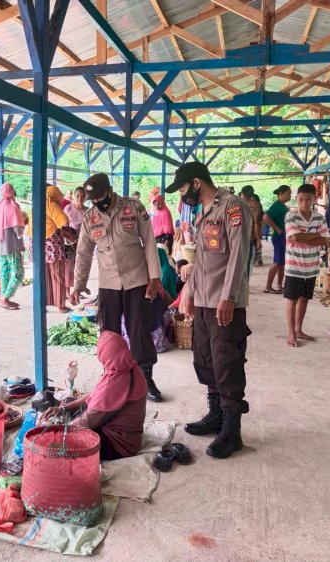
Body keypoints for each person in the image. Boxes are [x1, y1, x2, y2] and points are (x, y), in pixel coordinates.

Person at [172, 161, 251, 459]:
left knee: (227, 362)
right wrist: (188, 293)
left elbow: (239, 255)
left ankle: (232, 430)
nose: (182, 195)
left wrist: (229, 297)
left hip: (223, 302)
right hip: (203, 300)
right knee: (205, 360)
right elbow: (202, 260)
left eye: (182, 188)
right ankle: (215, 415)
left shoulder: (232, 207)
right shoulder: (203, 212)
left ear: (195, 182)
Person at [73, 173, 164, 402]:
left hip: (137, 279)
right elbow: (83, 252)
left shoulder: (133, 208)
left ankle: (145, 378)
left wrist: (154, 277)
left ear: (110, 190)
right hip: (109, 283)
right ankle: (112, 378)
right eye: (92, 200)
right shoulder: (90, 217)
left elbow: (150, 241)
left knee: (139, 329)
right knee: (109, 333)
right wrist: (78, 284)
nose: (97, 203)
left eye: (100, 197)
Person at [41, 331, 147, 460]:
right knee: (69, 401)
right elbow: (94, 394)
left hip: (119, 445)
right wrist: (64, 409)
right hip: (129, 435)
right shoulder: (127, 367)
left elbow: (87, 422)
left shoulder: (114, 384)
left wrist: (58, 431)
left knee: (62, 445)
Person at [283, 184, 330, 348]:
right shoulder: (291, 216)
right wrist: (316, 235)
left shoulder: (319, 217)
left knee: (304, 299)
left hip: (311, 267)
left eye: (308, 199)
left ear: (314, 199)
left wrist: (305, 236)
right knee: (292, 299)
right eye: (301, 199)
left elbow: (325, 240)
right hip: (294, 266)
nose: (304, 202)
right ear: (297, 199)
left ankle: (299, 329)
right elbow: (294, 238)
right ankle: (291, 332)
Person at [29, 185, 71, 312]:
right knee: (57, 274)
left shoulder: (35, 206)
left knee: (43, 275)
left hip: (36, 244)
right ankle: (60, 304)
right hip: (51, 245)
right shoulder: (51, 204)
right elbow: (64, 221)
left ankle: (42, 303)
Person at [0, 182, 26, 310]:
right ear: (12, 192)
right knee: (19, 273)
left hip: (0, 246)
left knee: (4, 272)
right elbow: (18, 227)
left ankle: (3, 298)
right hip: (11, 246)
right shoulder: (13, 206)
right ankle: (5, 298)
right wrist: (22, 231)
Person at [263, 185, 292, 294]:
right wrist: (277, 229)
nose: (290, 196)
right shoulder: (277, 205)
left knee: (281, 262)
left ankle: (279, 285)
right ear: (281, 194)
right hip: (279, 237)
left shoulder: (281, 205)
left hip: (283, 237)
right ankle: (268, 286)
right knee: (277, 262)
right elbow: (265, 217)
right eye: (288, 193)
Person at [240, 185, 263, 279]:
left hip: (236, 238)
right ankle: (245, 284)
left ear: (242, 193)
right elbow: (257, 223)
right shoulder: (255, 205)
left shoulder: (235, 203)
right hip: (249, 238)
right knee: (248, 263)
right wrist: (258, 239)